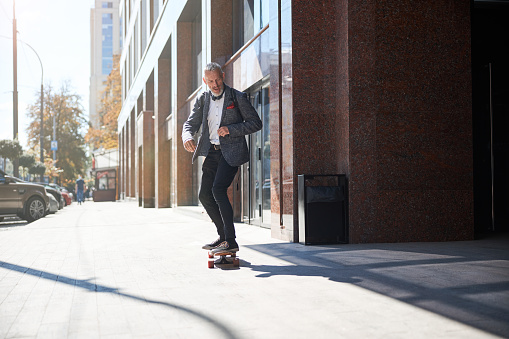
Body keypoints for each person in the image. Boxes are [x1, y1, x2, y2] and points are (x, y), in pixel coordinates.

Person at [182, 62, 262, 254]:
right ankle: (223, 237)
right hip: (212, 152)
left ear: (223, 76)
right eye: (210, 81)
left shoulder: (237, 97)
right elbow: (190, 123)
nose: (215, 84)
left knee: (218, 189)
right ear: (205, 81)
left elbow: (255, 123)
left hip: (231, 152)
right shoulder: (203, 100)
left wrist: (231, 129)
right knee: (204, 195)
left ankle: (231, 241)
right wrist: (187, 136)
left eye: (217, 79)